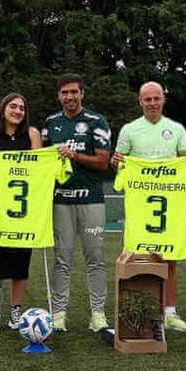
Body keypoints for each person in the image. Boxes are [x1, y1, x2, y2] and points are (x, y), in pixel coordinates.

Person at [112, 82, 186, 331]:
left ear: (163, 99)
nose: (152, 103)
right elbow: (118, 164)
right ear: (140, 101)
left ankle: (169, 312)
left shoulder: (176, 128)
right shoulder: (129, 130)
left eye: (156, 98)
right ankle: (141, 310)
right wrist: (116, 162)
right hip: (141, 204)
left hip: (169, 203)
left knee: (169, 257)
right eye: (147, 99)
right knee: (138, 256)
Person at [42, 74, 112, 333]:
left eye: (74, 92)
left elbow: (104, 162)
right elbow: (42, 160)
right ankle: (59, 314)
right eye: (64, 93)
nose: (69, 97)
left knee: (95, 258)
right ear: (59, 96)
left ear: (82, 93)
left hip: (91, 200)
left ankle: (98, 314)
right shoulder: (51, 123)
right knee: (62, 259)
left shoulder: (96, 121)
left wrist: (75, 156)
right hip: (61, 201)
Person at [0, 93, 43, 333]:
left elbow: (39, 169)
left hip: (24, 211)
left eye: (22, 108)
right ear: (3, 109)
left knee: (21, 263)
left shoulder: (32, 134)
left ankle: (16, 311)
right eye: (13, 106)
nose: (17, 111)